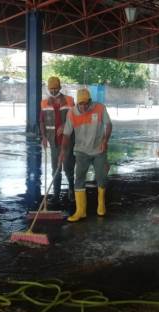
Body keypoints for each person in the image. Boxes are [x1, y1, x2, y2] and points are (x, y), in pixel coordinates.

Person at [60, 89, 112, 222]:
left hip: (98, 149)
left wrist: (105, 140)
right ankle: (80, 211)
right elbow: (66, 134)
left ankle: (101, 204)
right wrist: (63, 151)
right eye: (81, 104)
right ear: (77, 103)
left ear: (90, 101)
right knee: (80, 178)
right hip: (81, 151)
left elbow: (108, 125)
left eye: (86, 103)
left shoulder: (100, 108)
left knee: (101, 176)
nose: (83, 106)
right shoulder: (72, 113)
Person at [39, 76, 76, 200]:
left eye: (55, 88)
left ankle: (72, 190)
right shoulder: (44, 103)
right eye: (51, 88)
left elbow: (75, 118)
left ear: (60, 87)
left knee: (68, 166)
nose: (53, 90)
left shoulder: (70, 101)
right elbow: (42, 121)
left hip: (67, 140)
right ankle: (56, 195)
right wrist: (43, 137)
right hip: (53, 141)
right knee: (55, 168)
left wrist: (65, 125)